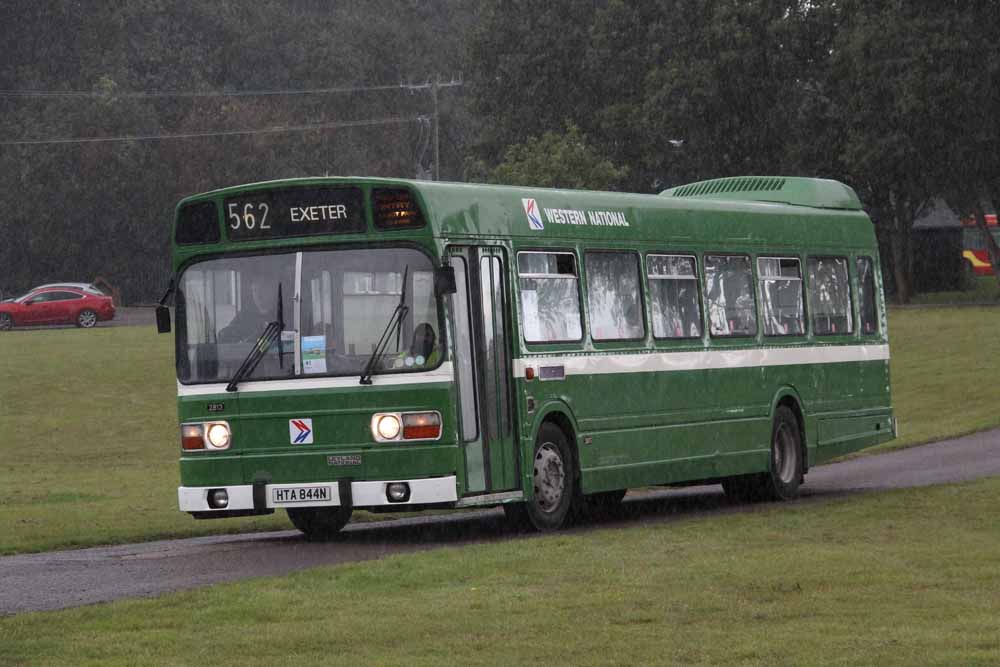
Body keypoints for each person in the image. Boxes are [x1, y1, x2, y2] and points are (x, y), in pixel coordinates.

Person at [218, 275, 274, 344]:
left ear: (271, 291)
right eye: (255, 290)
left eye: (262, 290)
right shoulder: (245, 315)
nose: (258, 295)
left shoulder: (281, 315)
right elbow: (224, 334)